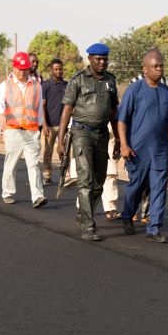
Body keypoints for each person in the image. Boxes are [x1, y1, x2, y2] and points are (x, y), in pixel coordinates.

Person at [57, 43, 120, 242]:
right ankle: (88, 225)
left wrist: (118, 138)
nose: (102, 63)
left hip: (102, 134)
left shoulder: (111, 80)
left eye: (105, 59)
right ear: (90, 59)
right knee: (86, 179)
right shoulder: (78, 79)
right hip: (81, 132)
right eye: (98, 59)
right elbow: (66, 110)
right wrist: (60, 140)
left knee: (99, 183)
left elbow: (113, 112)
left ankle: (83, 213)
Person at [117, 49, 168, 243]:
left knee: (159, 188)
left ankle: (154, 227)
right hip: (137, 150)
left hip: (160, 151)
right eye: (155, 66)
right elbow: (122, 120)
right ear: (145, 69)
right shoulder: (134, 90)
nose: (159, 70)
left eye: (161, 66)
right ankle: (127, 216)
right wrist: (124, 145)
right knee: (136, 186)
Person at [0, 52, 46, 207]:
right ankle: (8, 192)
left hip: (31, 131)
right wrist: (0, 115)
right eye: (20, 69)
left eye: (25, 69)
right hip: (13, 130)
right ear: (14, 67)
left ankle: (37, 196)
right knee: (11, 163)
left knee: (33, 164)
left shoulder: (37, 86)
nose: (22, 72)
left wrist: (41, 127)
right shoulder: (5, 85)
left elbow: (38, 109)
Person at [40, 58, 68, 186]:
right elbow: (42, 106)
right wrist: (44, 124)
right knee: (48, 152)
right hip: (49, 126)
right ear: (51, 70)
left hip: (64, 126)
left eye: (60, 69)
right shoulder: (45, 85)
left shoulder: (67, 85)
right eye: (56, 69)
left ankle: (65, 176)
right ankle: (47, 175)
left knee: (65, 152)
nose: (58, 71)